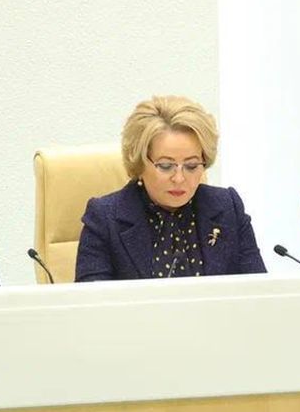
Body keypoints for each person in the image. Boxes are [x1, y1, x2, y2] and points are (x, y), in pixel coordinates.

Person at [75, 95, 266, 281]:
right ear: (139, 163)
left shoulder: (228, 208)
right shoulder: (104, 218)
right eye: (166, 166)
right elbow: (92, 300)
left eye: (191, 166)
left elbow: (259, 292)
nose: (179, 178)